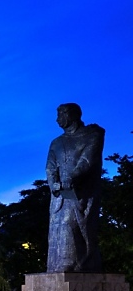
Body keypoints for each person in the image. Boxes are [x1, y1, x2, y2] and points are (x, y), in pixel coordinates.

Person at [45, 103, 104, 273]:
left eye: (60, 115)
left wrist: (72, 178)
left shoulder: (92, 135)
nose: (57, 120)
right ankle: (57, 264)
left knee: (71, 224)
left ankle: (76, 262)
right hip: (59, 194)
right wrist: (54, 184)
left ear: (72, 115)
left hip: (82, 192)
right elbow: (50, 167)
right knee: (57, 225)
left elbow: (87, 160)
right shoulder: (56, 142)